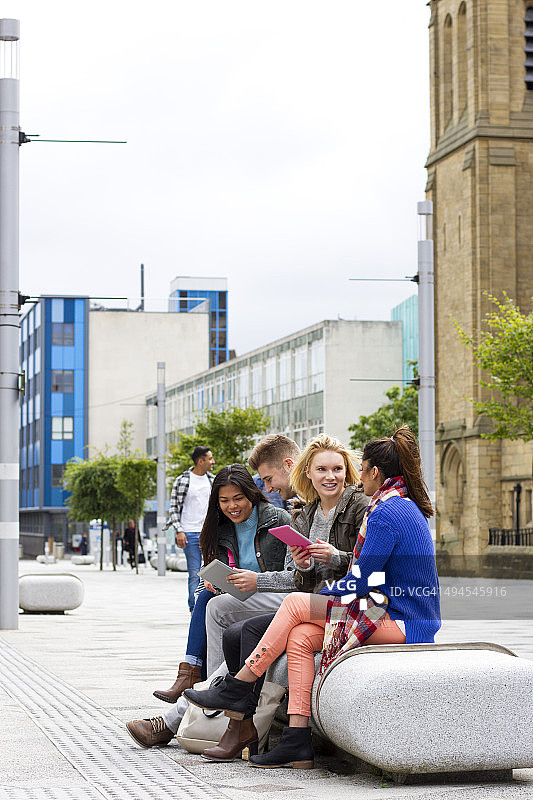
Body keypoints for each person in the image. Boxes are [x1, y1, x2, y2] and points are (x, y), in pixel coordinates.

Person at [183, 427, 441, 769]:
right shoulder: (391, 506)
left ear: (374, 473)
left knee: (295, 605)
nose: (356, 477)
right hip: (385, 611)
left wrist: (316, 600)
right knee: (301, 636)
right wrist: (313, 590)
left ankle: (238, 685)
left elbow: (360, 581)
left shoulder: (387, 512)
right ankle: (297, 740)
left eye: (359, 470)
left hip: (405, 621)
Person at [127, 434, 368, 757]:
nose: (330, 476)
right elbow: (302, 575)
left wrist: (326, 559)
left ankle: (207, 704)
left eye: (337, 469)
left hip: (330, 602)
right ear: (307, 470)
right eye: (322, 469)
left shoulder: (346, 508)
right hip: (310, 600)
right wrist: (305, 563)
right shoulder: (307, 514)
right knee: (216, 608)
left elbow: (364, 567)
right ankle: (212, 700)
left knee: (241, 623)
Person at [148, 464, 291, 708]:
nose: (232, 506)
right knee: (205, 596)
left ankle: (202, 680)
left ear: (251, 494)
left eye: (238, 498)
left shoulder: (278, 520)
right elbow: (214, 575)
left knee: (214, 606)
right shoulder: (220, 528)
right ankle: (193, 674)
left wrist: (254, 580)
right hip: (240, 597)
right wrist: (215, 581)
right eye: (224, 501)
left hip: (272, 595)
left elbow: (292, 576)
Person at [169, 446, 215, 612]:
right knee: (195, 571)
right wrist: (179, 530)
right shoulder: (182, 480)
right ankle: (194, 607)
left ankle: (207, 604)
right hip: (189, 532)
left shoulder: (213, 480)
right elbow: (173, 508)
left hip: (209, 533)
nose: (213, 462)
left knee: (210, 569)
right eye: (210, 459)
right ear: (200, 461)